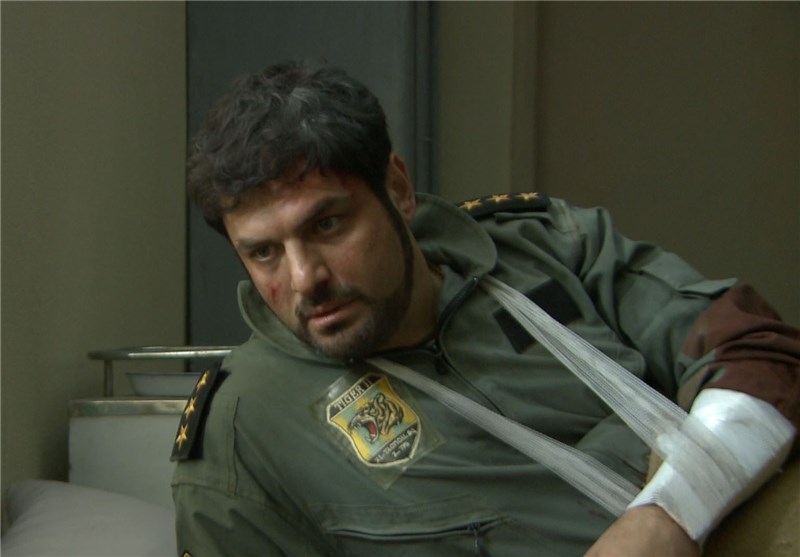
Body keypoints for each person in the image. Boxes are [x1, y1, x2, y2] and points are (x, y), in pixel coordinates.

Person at [171, 59, 800, 557]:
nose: (305, 278)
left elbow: (759, 355)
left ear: (398, 189)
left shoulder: (544, 249)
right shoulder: (243, 433)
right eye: (263, 253)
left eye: (328, 225)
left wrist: (666, 519)